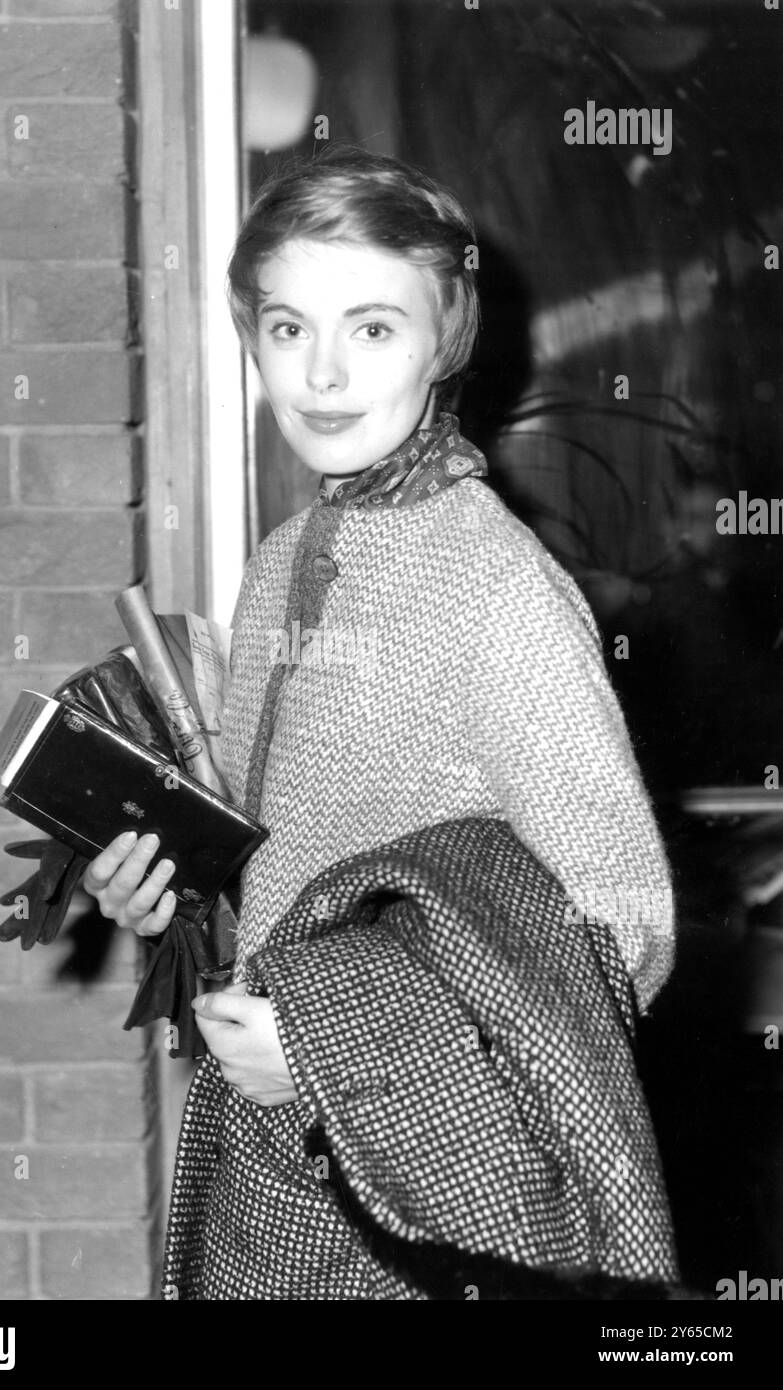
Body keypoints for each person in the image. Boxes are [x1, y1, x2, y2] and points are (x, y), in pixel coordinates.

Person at [81, 145, 678, 1300]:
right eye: (288, 328)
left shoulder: (495, 590)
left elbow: (619, 939)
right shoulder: (281, 562)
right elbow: (277, 865)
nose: (322, 373)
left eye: (370, 328)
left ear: (442, 338)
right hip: (268, 1175)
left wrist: (333, 1038)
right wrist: (162, 889)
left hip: (414, 1214)